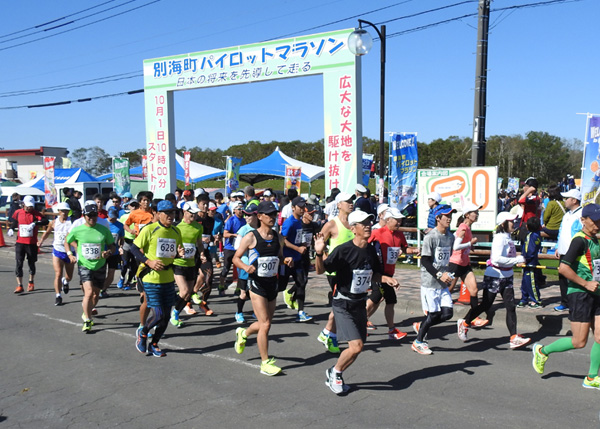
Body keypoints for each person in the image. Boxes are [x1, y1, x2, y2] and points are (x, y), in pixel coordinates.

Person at [314, 210, 399, 394]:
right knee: (356, 346)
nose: (368, 226)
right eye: (363, 223)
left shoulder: (370, 250)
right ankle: (334, 373)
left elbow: (374, 274)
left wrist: (385, 279)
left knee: (359, 347)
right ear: (354, 229)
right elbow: (321, 271)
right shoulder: (343, 250)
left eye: (369, 222)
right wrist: (319, 253)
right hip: (343, 303)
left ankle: (335, 372)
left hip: (360, 304)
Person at [532, 204, 600, 389]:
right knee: (579, 342)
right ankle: (543, 351)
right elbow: (563, 268)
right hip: (580, 294)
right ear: (583, 220)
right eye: (594, 220)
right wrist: (586, 283)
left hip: (596, 293)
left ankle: (592, 377)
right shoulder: (579, 241)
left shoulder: (595, 239)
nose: (598, 224)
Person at [233, 201, 293, 376]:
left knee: (264, 324)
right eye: (269, 214)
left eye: (274, 214)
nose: (273, 217)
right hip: (256, 283)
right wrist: (245, 267)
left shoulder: (278, 237)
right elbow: (236, 258)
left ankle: (243, 333)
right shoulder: (251, 237)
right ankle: (265, 363)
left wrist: (285, 261)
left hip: (271, 284)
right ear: (259, 217)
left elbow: (279, 257)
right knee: (265, 324)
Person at [459, 212, 531, 349]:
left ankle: (513, 337)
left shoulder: (507, 236)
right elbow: (496, 259)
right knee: (486, 304)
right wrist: (516, 260)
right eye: (511, 221)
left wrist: (515, 261)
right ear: (503, 223)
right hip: (494, 275)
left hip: (507, 275)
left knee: (510, 306)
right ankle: (465, 322)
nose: (514, 224)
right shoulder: (499, 238)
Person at [132, 200, 184, 357]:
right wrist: (148, 261)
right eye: (167, 213)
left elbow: (175, 252)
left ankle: (154, 343)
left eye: (173, 212)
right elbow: (134, 248)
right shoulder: (150, 229)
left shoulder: (176, 231)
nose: (170, 216)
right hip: (150, 278)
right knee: (159, 314)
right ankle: (143, 333)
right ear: (159, 214)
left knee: (166, 316)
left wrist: (179, 253)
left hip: (168, 278)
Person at [412, 204, 456, 355]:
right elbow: (425, 261)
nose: (449, 218)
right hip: (430, 282)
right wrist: (439, 274)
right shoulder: (431, 237)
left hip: (442, 282)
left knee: (448, 313)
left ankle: (423, 325)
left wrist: (448, 273)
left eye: (451, 215)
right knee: (434, 314)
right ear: (438, 218)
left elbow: (447, 258)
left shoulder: (450, 236)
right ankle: (418, 341)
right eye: (446, 215)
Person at [65, 202, 116, 333]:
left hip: (99, 264)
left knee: (96, 294)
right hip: (84, 264)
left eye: (94, 215)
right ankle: (87, 319)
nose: (92, 218)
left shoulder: (103, 228)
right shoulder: (78, 229)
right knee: (88, 292)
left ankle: (87, 310)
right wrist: (70, 253)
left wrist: (108, 252)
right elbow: (67, 240)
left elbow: (112, 245)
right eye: (89, 216)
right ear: (84, 216)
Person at [316, 191, 356, 354]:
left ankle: (327, 332)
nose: (351, 203)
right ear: (339, 205)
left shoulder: (354, 223)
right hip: (335, 272)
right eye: (347, 201)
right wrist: (326, 259)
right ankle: (329, 334)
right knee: (340, 304)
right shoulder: (332, 224)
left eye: (352, 201)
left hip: (351, 270)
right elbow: (320, 242)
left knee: (344, 304)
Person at [366, 207, 411, 339]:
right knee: (376, 297)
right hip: (377, 272)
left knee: (389, 300)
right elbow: (364, 246)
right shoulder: (377, 232)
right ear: (388, 220)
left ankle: (391, 329)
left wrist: (414, 251)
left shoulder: (399, 234)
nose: (399, 223)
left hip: (389, 273)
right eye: (396, 220)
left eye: (400, 220)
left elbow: (404, 248)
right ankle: (361, 323)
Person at [451, 202, 489, 341]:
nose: (477, 214)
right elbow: (456, 246)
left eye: (477, 212)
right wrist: (469, 243)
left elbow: (463, 245)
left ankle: (472, 318)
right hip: (455, 263)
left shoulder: (468, 227)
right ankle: (427, 317)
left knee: (473, 290)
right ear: (467, 214)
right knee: (446, 290)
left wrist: (468, 247)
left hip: (465, 264)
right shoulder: (463, 227)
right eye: (475, 212)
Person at [170, 201, 206, 327]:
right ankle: (174, 313)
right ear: (185, 212)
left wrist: (202, 254)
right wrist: (176, 252)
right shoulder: (176, 227)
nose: (194, 216)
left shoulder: (198, 227)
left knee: (188, 294)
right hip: (178, 262)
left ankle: (177, 311)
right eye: (191, 213)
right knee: (184, 291)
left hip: (191, 263)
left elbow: (199, 243)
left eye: (195, 214)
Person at [280, 196, 314, 322]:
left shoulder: (300, 221)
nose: (302, 209)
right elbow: (283, 240)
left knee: (302, 283)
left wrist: (303, 245)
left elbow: (299, 237)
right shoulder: (289, 222)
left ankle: (301, 312)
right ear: (293, 208)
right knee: (281, 286)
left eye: (303, 207)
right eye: (300, 207)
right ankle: (264, 305)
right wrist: (297, 248)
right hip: (287, 260)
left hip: (298, 259)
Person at [38, 202, 74, 305]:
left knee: (69, 276)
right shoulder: (54, 222)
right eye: (62, 211)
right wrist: (41, 241)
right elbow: (48, 232)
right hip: (57, 250)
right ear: (59, 211)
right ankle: (58, 296)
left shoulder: (72, 222)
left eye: (66, 211)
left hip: (69, 252)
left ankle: (65, 282)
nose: (64, 213)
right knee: (58, 273)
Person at [553, 188, 582, 312]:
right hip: (563, 251)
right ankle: (565, 302)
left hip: (574, 252)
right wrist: (558, 247)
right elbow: (561, 232)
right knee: (562, 277)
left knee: (573, 278)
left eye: (567, 198)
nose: (565, 201)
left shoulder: (581, 215)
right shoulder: (566, 215)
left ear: (574, 200)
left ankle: (575, 302)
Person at [11, 195, 48, 293]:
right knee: (19, 263)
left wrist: (35, 223)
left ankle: (31, 282)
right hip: (20, 242)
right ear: (23, 204)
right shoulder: (18, 212)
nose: (29, 208)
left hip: (31, 243)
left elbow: (45, 221)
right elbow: (14, 221)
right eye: (28, 206)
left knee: (31, 263)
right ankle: (19, 285)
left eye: (31, 206)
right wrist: (11, 228)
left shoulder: (36, 214)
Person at [233, 203, 259, 323]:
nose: (247, 217)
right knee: (243, 293)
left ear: (256, 215)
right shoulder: (243, 229)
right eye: (246, 215)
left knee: (255, 291)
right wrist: (249, 245)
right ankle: (239, 313)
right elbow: (236, 246)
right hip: (244, 264)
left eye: (249, 215)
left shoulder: (259, 228)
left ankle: (256, 311)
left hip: (257, 265)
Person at [219, 201, 246, 296]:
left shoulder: (244, 220)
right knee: (226, 268)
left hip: (240, 248)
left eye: (242, 209)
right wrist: (235, 235)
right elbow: (225, 234)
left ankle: (238, 289)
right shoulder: (231, 220)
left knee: (240, 269)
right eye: (239, 209)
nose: (241, 211)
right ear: (234, 210)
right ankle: (221, 286)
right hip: (229, 248)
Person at [101, 207, 125, 298]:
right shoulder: (102, 223)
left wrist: (121, 247)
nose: (112, 219)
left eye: (114, 217)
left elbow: (121, 239)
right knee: (101, 274)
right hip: (102, 253)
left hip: (114, 253)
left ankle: (103, 289)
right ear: (107, 214)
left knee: (111, 274)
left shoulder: (120, 225)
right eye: (111, 217)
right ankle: (99, 288)